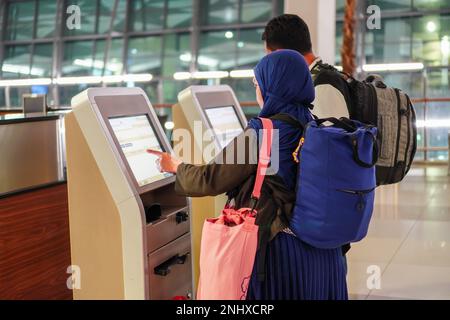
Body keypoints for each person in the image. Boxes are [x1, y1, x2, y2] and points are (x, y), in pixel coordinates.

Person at [148, 50, 348, 300]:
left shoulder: (262, 132)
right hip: (324, 253)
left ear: (271, 86)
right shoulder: (316, 126)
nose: (257, 90)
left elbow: (210, 179)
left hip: (281, 253)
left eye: (257, 84)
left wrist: (176, 166)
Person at [262, 13, 352, 263]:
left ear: (282, 54)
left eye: (269, 56)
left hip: (322, 219)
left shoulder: (322, 87)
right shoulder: (319, 80)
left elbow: (325, 157)